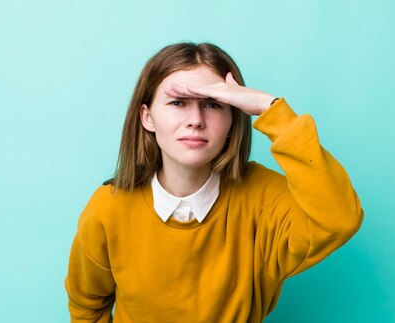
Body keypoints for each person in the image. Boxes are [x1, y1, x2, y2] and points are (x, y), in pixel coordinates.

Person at [65, 42, 364, 322]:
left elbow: (340, 219)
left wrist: (269, 109)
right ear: (147, 118)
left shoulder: (262, 197)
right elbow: (86, 306)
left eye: (212, 104)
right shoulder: (109, 207)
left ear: (234, 118)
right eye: (178, 102)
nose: (195, 119)